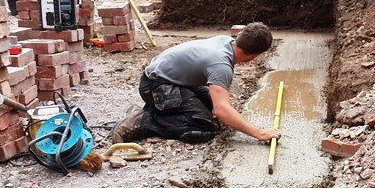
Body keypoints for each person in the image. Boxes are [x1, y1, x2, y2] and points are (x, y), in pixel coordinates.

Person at [112, 22, 281, 145]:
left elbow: (218, 104)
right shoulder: (221, 65)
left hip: (171, 79)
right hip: (155, 86)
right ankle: (144, 120)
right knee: (206, 127)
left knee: (211, 111)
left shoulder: (226, 42)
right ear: (253, 57)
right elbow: (221, 109)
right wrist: (258, 133)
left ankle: (158, 110)